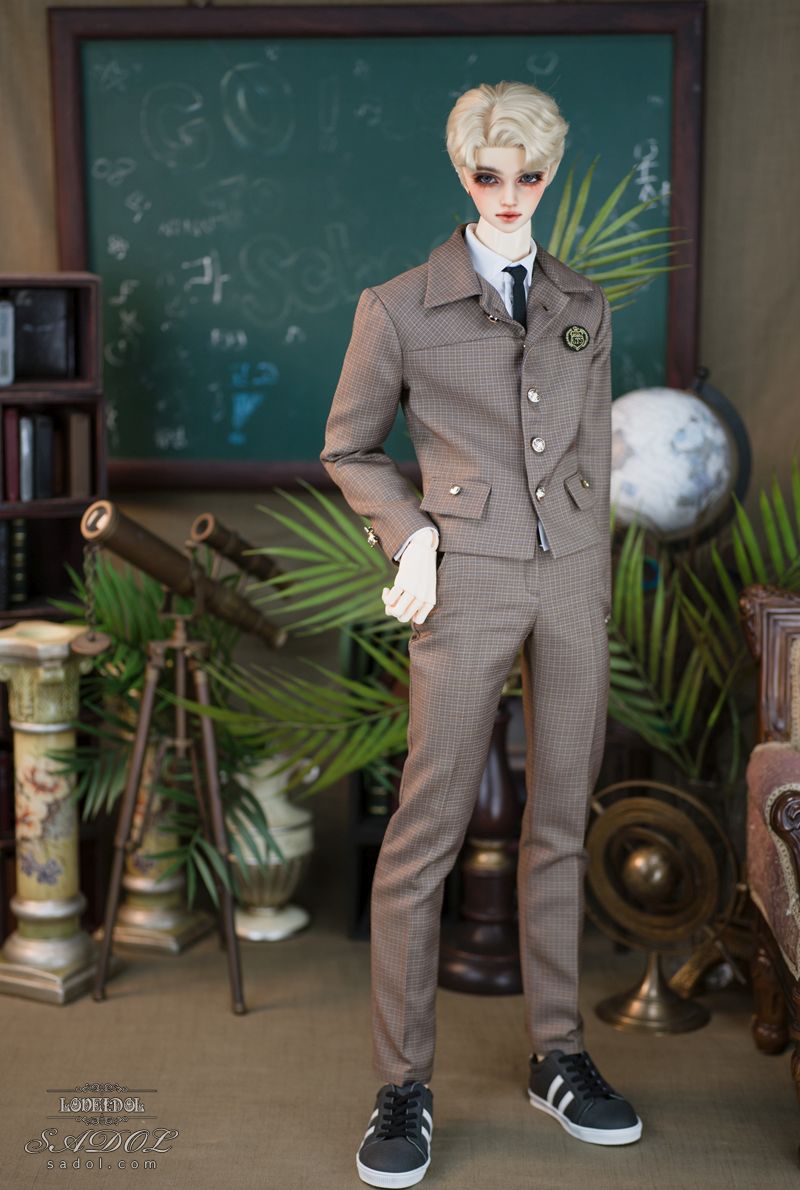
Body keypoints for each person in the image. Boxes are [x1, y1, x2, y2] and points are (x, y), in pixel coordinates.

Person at [321, 79, 642, 1188]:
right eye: (488, 174)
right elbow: (351, 447)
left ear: (548, 173)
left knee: (559, 819)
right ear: (461, 172)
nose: (509, 194)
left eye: (528, 174)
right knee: (427, 828)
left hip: (573, 581)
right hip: (464, 580)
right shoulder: (400, 306)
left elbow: (590, 450)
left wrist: (590, 568)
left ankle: (557, 1053)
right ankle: (401, 1083)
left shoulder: (584, 302)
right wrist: (411, 536)